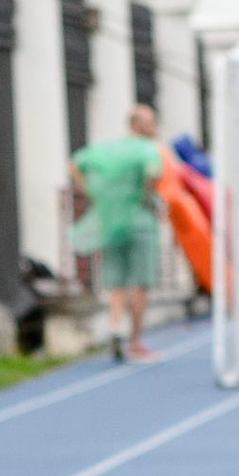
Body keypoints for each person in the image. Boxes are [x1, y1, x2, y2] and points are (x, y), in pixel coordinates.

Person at [68, 103, 166, 362]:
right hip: (140, 221)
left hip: (111, 222)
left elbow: (75, 164)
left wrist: (93, 194)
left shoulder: (107, 149)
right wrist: (144, 195)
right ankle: (135, 341)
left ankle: (115, 327)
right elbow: (154, 173)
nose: (155, 126)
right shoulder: (148, 149)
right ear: (138, 125)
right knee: (141, 284)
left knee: (117, 284)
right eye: (151, 122)